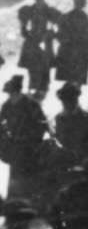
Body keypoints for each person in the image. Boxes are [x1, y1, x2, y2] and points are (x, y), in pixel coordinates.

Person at [0, 73, 53, 203]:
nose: (11, 96)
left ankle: (33, 201)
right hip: (15, 147)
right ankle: (16, 202)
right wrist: (5, 141)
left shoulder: (31, 104)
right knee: (16, 174)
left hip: (31, 146)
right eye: (10, 94)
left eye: (13, 93)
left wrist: (34, 139)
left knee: (31, 173)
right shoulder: (6, 106)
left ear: (18, 91)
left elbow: (43, 124)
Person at [51, 81, 88, 168]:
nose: (68, 105)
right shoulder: (59, 119)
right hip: (64, 165)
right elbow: (58, 141)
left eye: (71, 101)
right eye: (65, 102)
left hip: (85, 166)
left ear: (76, 100)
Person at [55, 0, 88, 87]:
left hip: (71, 51)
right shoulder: (86, 20)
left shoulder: (67, 17)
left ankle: (71, 94)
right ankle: (73, 94)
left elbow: (59, 34)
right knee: (76, 78)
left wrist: (65, 41)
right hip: (78, 52)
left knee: (71, 77)